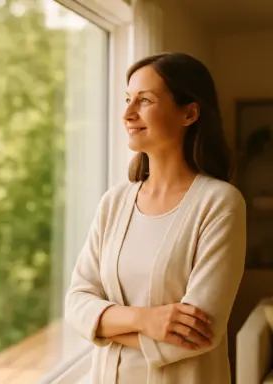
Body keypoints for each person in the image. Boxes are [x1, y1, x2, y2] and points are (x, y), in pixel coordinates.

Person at [64, 52, 246, 384]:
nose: (127, 114)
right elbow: (76, 302)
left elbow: (198, 334)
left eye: (144, 100)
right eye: (127, 99)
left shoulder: (220, 203)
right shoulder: (114, 202)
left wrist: (104, 326)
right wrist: (145, 320)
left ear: (189, 113)